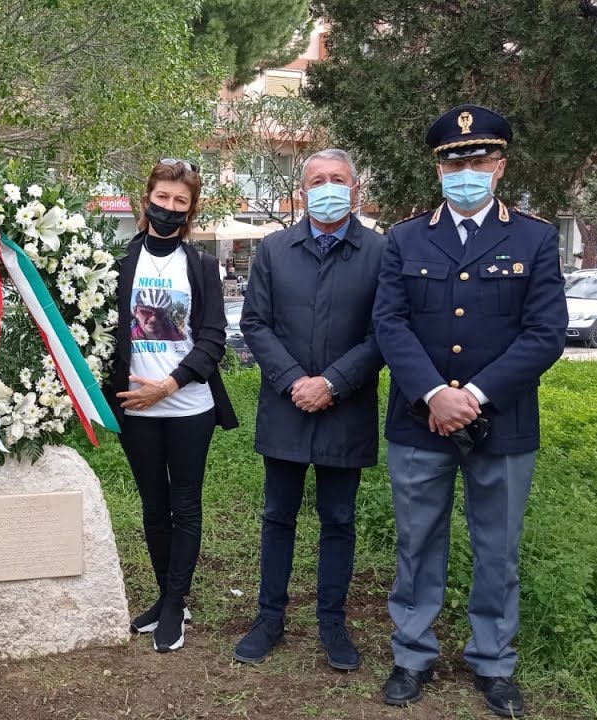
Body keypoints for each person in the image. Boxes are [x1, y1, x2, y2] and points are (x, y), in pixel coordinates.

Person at [372, 105, 566, 717]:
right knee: (417, 542)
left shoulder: (534, 237)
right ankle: (412, 656)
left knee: (498, 547)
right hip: (418, 420)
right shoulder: (404, 238)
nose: (464, 170)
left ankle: (493, 663)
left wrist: (471, 396)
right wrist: (435, 394)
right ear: (438, 171)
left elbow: (545, 333)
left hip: (501, 424)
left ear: (499, 167)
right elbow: (390, 322)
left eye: (477, 161)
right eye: (453, 161)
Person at [235, 149, 387, 670]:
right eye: (317, 180)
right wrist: (296, 380)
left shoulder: (381, 254)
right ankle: (269, 618)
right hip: (287, 407)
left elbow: (385, 332)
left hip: (347, 411)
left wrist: (334, 382)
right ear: (302, 191)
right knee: (277, 517)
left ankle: (333, 623)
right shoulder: (275, 250)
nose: (328, 188)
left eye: (337, 179)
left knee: (338, 519)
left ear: (355, 188)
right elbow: (255, 324)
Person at [105, 159, 239, 653]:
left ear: (190, 210)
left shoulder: (200, 265)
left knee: (184, 504)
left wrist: (168, 385)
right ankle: (169, 600)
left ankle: (175, 602)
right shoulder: (121, 259)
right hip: (134, 405)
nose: (169, 208)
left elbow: (212, 338)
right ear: (147, 199)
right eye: (162, 198)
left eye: (180, 202)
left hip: (188, 406)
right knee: (153, 507)